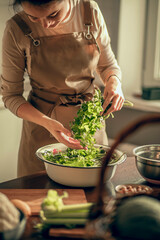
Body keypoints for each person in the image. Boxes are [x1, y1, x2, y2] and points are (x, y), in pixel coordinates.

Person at [1, 0, 124, 177]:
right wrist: (47, 123)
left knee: (92, 195)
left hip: (90, 125)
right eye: (33, 17)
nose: (46, 24)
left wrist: (114, 83)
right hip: (42, 128)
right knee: (41, 196)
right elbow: (11, 96)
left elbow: (108, 66)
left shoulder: (89, 11)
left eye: (53, 14)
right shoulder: (16, 29)